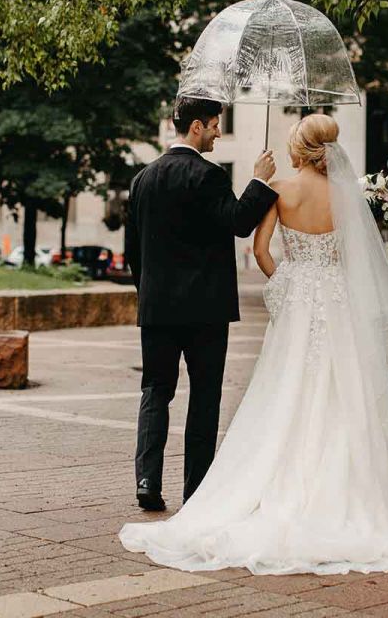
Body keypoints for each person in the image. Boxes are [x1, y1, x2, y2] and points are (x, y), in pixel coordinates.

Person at [119, 114, 388, 575]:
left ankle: (151, 479)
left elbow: (257, 250)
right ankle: (337, 490)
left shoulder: (255, 187)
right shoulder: (348, 196)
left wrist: (289, 284)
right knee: (340, 393)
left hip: (247, 304)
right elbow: (349, 257)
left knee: (213, 392)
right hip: (330, 305)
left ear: (298, 148)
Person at [124, 96, 278, 512]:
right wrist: (260, 181)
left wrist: (150, 295)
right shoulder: (208, 176)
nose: (216, 133)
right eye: (213, 125)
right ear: (195, 127)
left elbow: (132, 254)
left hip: (157, 309)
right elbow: (239, 222)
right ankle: (197, 491)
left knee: (155, 390)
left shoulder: (142, 180)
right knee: (205, 395)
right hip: (205, 310)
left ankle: (146, 480)